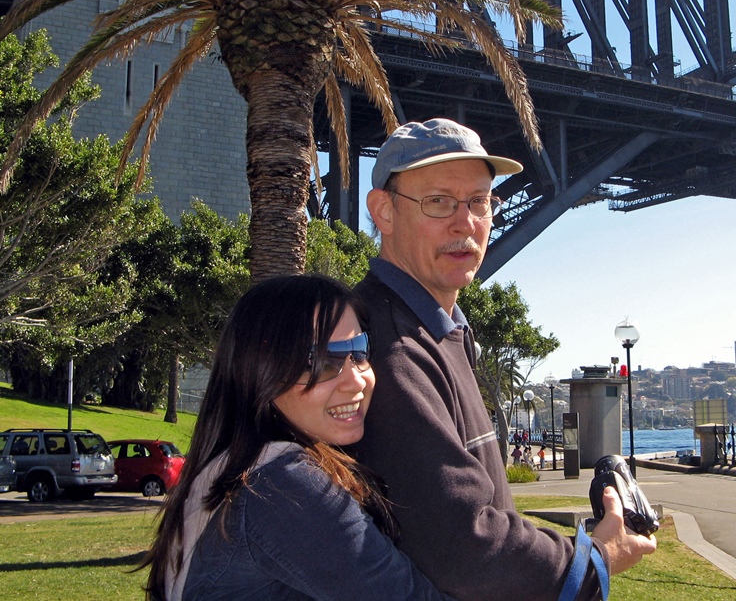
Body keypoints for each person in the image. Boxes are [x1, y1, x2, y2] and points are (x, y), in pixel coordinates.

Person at [354, 118, 656, 601]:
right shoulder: (389, 354)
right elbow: (463, 548)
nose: (465, 222)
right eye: (438, 202)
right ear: (383, 211)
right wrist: (594, 559)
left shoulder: (440, 330)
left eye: (479, 202)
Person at [142, 274, 453, 601]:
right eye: (320, 361)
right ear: (262, 372)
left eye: (359, 351)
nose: (356, 380)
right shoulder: (283, 488)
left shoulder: (236, 474)